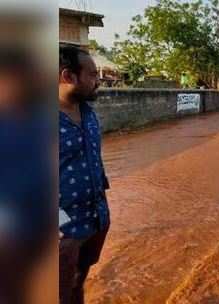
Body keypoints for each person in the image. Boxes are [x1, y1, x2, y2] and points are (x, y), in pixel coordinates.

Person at [59, 46, 111, 304]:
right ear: (69, 77)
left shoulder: (89, 113)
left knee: (77, 285)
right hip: (61, 232)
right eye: (92, 74)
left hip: (95, 220)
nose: (98, 80)